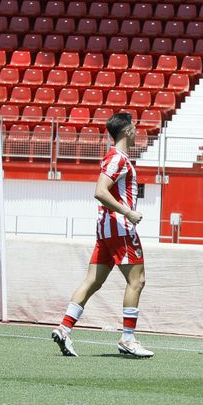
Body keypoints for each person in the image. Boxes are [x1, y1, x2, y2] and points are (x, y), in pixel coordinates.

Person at [52, 111, 152, 358]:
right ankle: (128, 339)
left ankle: (64, 328)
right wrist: (128, 212)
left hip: (106, 230)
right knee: (137, 281)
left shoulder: (114, 157)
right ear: (127, 131)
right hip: (120, 229)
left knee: (93, 281)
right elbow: (100, 191)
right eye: (135, 127)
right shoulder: (118, 158)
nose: (137, 132)